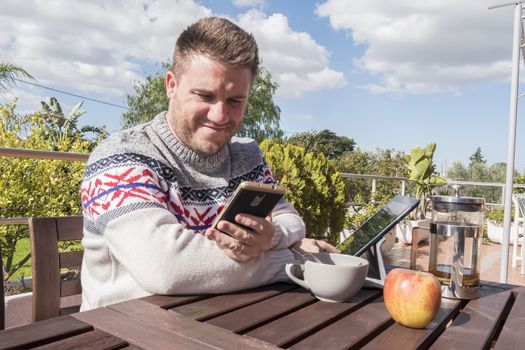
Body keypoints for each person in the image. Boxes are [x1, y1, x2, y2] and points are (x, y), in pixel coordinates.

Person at [80, 16, 336, 310]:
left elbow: (290, 218)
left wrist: (272, 238)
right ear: (171, 85)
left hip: (224, 317)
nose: (220, 115)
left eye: (235, 101)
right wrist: (293, 259)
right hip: (123, 330)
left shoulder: (247, 155)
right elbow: (167, 268)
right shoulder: (121, 156)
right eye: (205, 96)